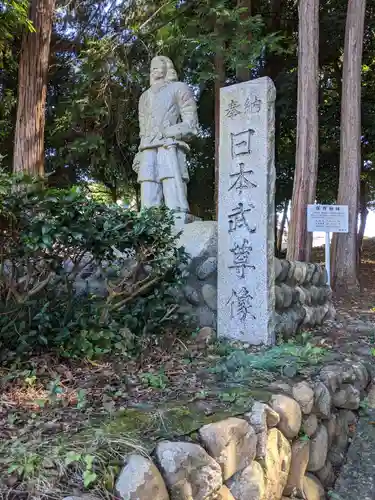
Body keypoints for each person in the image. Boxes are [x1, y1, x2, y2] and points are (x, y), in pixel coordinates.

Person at [132, 56, 199, 220]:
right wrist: (139, 152)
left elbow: (192, 123)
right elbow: (143, 129)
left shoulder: (179, 88)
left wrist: (173, 131)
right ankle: (148, 224)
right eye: (152, 67)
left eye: (158, 65)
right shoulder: (144, 97)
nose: (154, 68)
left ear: (167, 67)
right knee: (148, 195)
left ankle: (177, 219)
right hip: (148, 147)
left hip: (169, 145)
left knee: (174, 198)